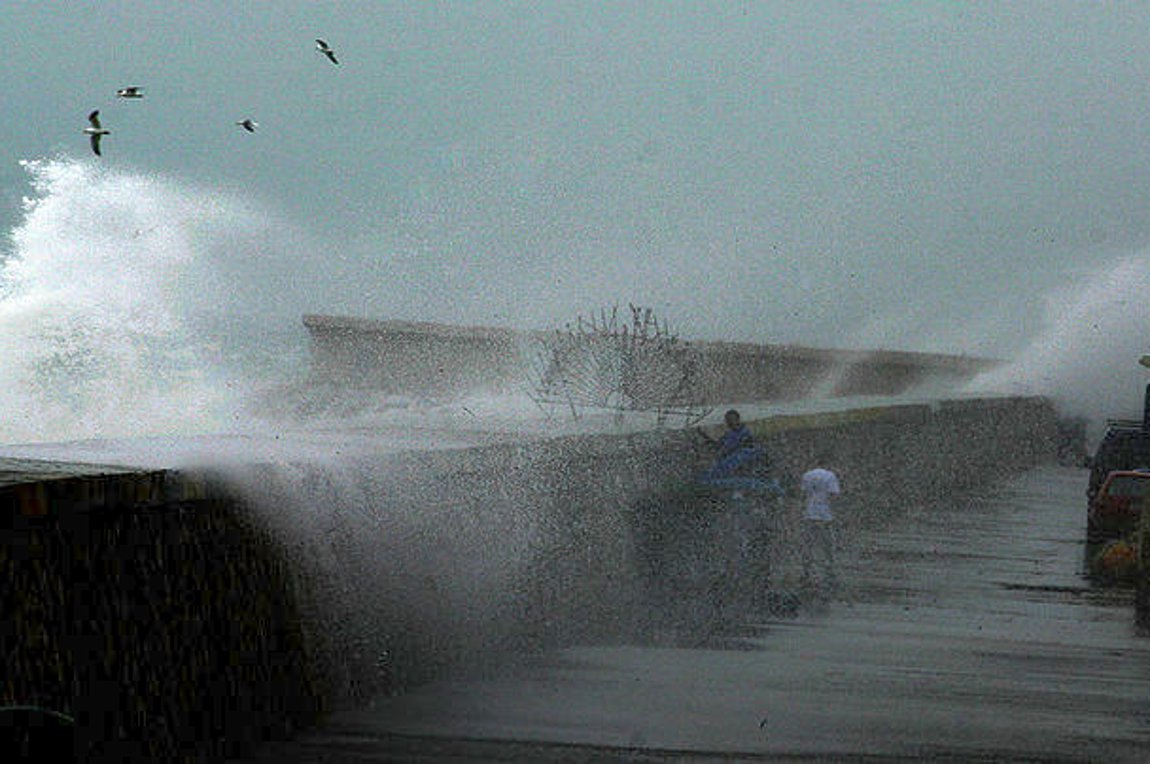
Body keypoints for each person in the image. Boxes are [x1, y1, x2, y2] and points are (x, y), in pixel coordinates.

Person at [800, 452, 841, 593]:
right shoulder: (830, 476)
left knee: (808, 542)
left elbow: (803, 493)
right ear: (827, 463)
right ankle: (828, 565)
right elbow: (833, 494)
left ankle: (806, 566)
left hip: (809, 513)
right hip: (824, 514)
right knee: (827, 542)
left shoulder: (807, 475)